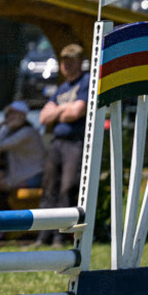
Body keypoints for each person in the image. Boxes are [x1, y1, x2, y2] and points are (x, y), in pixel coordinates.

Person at [35, 43, 90, 246]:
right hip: (57, 143)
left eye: (71, 61)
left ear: (80, 62)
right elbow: (43, 117)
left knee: (67, 187)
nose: (66, 66)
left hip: (75, 143)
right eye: (64, 62)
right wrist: (64, 109)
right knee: (49, 187)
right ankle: (43, 236)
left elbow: (76, 112)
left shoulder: (86, 82)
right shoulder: (62, 88)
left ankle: (59, 237)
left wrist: (57, 111)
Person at [0, 101, 46, 215]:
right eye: (9, 114)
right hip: (19, 172)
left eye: (15, 113)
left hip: (33, 176)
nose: (11, 116)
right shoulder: (14, 131)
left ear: (23, 116)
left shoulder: (27, 132)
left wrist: (5, 127)